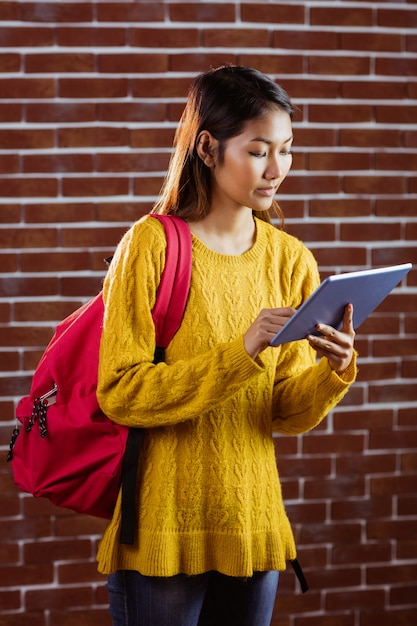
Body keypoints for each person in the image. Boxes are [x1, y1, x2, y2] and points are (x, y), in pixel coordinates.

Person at [96, 65, 357, 626]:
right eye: (259, 151)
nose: (277, 170)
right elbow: (120, 393)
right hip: (162, 529)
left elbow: (282, 411)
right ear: (208, 149)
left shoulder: (292, 260)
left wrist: (331, 373)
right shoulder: (151, 245)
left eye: (287, 150)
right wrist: (241, 351)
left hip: (252, 526)